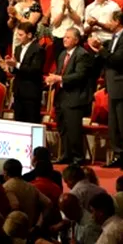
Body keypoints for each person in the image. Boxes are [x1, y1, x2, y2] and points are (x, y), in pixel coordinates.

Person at [88, 9, 123, 169]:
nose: (108, 24)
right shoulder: (114, 37)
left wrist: (101, 50)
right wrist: (99, 49)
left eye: (110, 20)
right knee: (113, 124)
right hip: (113, 84)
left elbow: (118, 60)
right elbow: (108, 56)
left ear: (117, 22)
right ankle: (118, 155)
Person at [46, 27, 93, 165]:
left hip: (75, 97)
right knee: (63, 129)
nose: (64, 39)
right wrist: (52, 78)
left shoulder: (82, 54)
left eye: (68, 37)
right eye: (64, 37)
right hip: (61, 97)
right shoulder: (63, 54)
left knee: (73, 130)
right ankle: (66, 155)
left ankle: (78, 157)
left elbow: (80, 75)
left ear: (76, 40)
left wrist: (59, 78)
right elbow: (60, 71)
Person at [7, 21, 44, 124]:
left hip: (31, 92)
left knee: (31, 122)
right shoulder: (18, 48)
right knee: (18, 122)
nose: (18, 37)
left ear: (29, 35)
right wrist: (11, 66)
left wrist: (16, 64)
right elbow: (16, 70)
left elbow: (35, 70)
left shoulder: (38, 49)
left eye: (21, 35)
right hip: (18, 91)